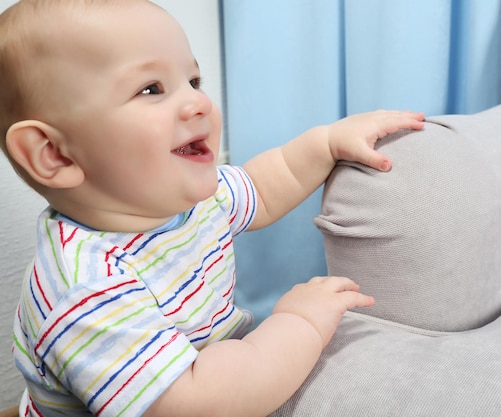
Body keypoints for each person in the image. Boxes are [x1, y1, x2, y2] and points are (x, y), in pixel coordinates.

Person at [0, 0, 425, 416]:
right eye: (151, 89)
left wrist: (328, 142)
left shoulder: (185, 203)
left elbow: (265, 183)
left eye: (194, 80)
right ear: (55, 154)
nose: (199, 102)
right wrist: (301, 322)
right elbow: (197, 402)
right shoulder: (85, 289)